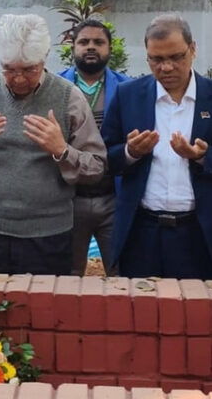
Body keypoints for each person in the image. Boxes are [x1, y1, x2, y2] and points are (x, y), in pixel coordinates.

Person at [0, 14, 107, 275]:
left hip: (50, 235)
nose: (19, 79)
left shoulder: (69, 98)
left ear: (44, 58)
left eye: (29, 70)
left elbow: (96, 167)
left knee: (45, 300)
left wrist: (61, 151)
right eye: (9, 69)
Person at [102, 15, 212, 280]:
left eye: (176, 57)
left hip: (200, 234)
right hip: (142, 233)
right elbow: (105, 158)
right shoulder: (127, 95)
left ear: (193, 49)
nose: (166, 67)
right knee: (141, 304)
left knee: (198, 304)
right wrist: (131, 152)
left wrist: (204, 157)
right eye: (156, 59)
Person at [59, 20, 129, 275]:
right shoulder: (55, 87)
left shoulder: (128, 88)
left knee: (121, 276)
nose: (91, 47)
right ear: (73, 48)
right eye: (84, 42)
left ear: (110, 48)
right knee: (67, 278)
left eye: (98, 42)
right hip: (68, 199)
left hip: (114, 199)